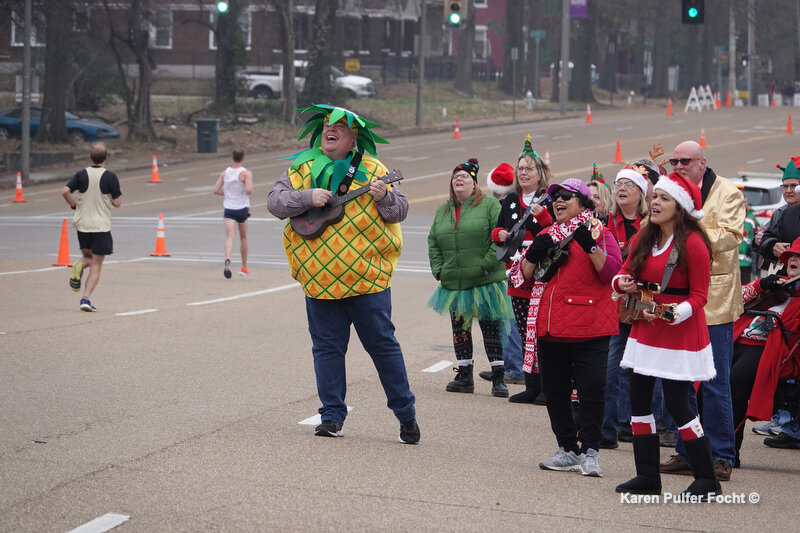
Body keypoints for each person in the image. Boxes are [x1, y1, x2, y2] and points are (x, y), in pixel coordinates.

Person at [266, 104, 419, 444]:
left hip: (367, 282)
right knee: (326, 350)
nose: (329, 130)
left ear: (354, 137)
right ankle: (331, 416)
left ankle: (405, 413)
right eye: (325, 126)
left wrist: (384, 197)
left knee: (382, 348)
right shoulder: (302, 166)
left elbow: (401, 211)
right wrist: (307, 196)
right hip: (319, 283)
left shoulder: (374, 169)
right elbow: (275, 203)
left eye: (338, 127)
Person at [613, 171, 720, 499]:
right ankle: (647, 476)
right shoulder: (644, 237)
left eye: (664, 198)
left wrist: (677, 313)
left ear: (681, 207)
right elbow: (623, 273)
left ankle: (706, 478)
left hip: (679, 333)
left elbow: (701, 295)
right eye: (654, 196)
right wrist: (623, 285)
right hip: (646, 328)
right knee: (638, 400)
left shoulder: (694, 243)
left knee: (679, 403)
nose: (655, 203)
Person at [509, 178, 622, 477]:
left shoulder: (600, 232)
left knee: (591, 390)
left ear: (584, 204)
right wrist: (532, 254)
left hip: (589, 326)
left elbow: (612, 275)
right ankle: (568, 449)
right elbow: (520, 278)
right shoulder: (546, 233)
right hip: (550, 326)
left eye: (567, 196)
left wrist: (591, 247)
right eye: (555, 196)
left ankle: (591, 452)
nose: (558, 200)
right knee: (555, 391)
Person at [660, 140, 744, 483]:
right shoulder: (670, 190)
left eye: (685, 160)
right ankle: (686, 452)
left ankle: (723, 456)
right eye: (674, 160)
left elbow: (730, 236)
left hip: (715, 301)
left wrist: (687, 230)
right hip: (678, 300)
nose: (678, 165)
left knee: (714, 382)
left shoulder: (728, 192)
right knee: (681, 381)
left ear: (702, 162)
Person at [428, 158, 514, 398]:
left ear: (475, 184)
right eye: (455, 176)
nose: (459, 179)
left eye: (464, 176)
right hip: (454, 281)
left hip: (484, 280)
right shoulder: (443, 209)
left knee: (491, 328)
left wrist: (485, 267)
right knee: (460, 330)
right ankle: (464, 376)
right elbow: (433, 241)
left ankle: (499, 379)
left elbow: (498, 240)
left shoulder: (489, 205)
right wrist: (439, 269)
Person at [489, 135, 554, 404]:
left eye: (529, 168)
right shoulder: (509, 201)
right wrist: (500, 233)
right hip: (516, 274)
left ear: (541, 174)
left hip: (541, 273)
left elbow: (556, 232)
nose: (524, 172)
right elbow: (494, 230)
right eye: (521, 168)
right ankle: (531, 385)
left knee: (541, 331)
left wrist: (542, 215)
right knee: (523, 329)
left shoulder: (550, 198)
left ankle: (547, 388)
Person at [731, 237, 800, 466]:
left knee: (735, 382)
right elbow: (733, 299)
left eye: (799, 257)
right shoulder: (777, 283)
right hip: (738, 338)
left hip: (772, 350)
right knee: (707, 381)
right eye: (792, 256)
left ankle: (727, 453)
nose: (793, 260)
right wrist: (762, 285)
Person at [600, 165, 650, 449]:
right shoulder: (604, 222)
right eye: (618, 183)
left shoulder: (652, 224)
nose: (621, 188)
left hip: (644, 306)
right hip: (615, 307)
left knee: (644, 370)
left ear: (641, 193)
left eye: (628, 184)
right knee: (610, 370)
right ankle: (608, 430)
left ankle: (644, 428)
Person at [61, 142, 122, 312]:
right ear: (106, 158)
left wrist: (74, 205)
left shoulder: (81, 175)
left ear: (90, 157)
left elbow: (65, 191)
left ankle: (78, 266)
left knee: (87, 257)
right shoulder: (110, 177)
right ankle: (85, 299)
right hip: (100, 226)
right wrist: (110, 198)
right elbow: (117, 203)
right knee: (96, 265)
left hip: (83, 225)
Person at [484, 162, 526, 386]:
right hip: (507, 270)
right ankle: (505, 366)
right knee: (509, 323)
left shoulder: (503, 207)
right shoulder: (510, 204)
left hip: (506, 270)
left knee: (510, 323)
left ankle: (514, 368)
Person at [213, 149, 253, 278]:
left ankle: (228, 259)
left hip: (229, 208)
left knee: (230, 237)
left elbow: (215, 190)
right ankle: (244, 267)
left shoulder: (225, 173)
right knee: (243, 238)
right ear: (243, 158)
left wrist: (228, 193)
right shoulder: (245, 173)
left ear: (232, 157)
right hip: (241, 208)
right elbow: (249, 190)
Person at [757, 157, 800, 266]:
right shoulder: (782, 214)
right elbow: (766, 237)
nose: (789, 191)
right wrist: (772, 246)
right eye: (785, 186)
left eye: (793, 186)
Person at [738, 195, 760, 284]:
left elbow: (757, 234)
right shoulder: (729, 216)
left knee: (745, 283)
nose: (743, 204)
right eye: (741, 202)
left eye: (745, 201)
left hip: (747, 259)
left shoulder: (751, 218)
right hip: (732, 259)